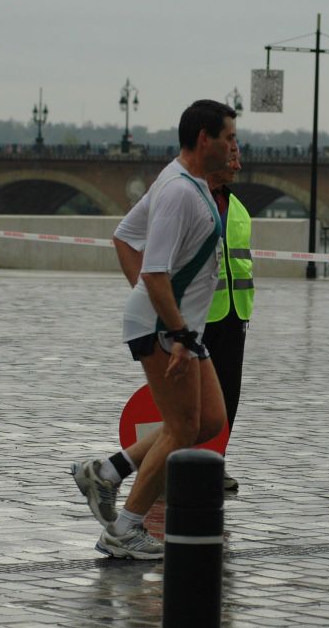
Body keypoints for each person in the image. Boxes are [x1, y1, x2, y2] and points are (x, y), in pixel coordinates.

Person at [71, 99, 237, 559]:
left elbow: (124, 236)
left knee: (208, 420)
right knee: (183, 426)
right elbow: (156, 272)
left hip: (174, 325)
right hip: (170, 330)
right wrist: (173, 329)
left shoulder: (187, 183)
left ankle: (108, 470)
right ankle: (124, 529)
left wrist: (151, 306)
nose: (233, 147)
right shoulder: (179, 192)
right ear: (205, 139)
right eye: (229, 137)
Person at [202, 147, 255, 491]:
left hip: (234, 313)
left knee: (227, 395)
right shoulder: (191, 199)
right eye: (231, 156)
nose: (238, 164)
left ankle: (215, 461)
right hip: (198, 314)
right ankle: (181, 463)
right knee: (192, 397)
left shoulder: (238, 208)